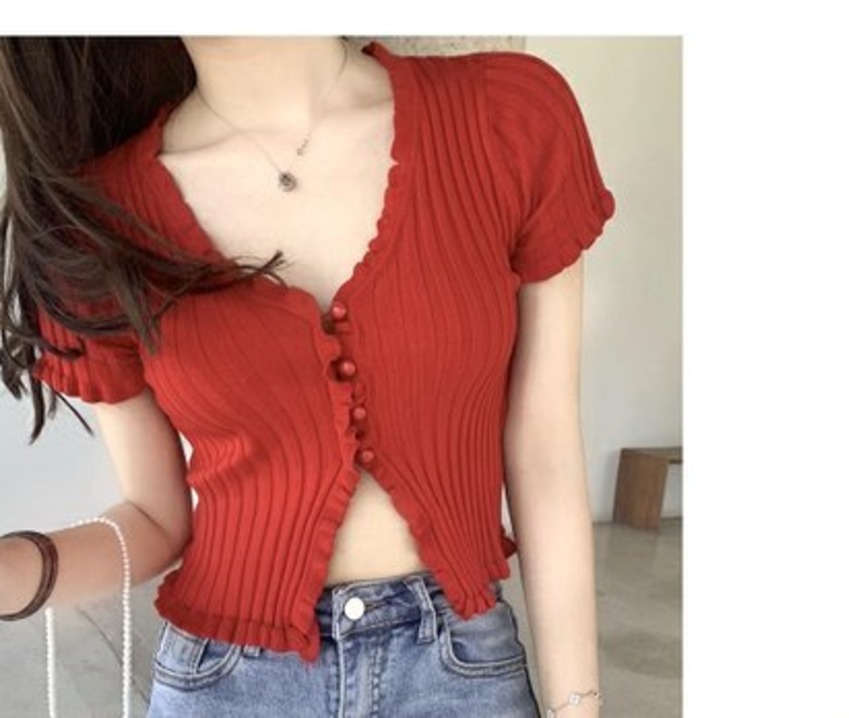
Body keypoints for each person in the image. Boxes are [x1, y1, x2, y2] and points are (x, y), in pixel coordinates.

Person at [0, 36, 615, 717]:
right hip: (228, 684)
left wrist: (578, 706)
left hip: (461, 674)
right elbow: (154, 517)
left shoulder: (506, 119)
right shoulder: (94, 221)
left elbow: (545, 453)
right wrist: (13, 573)